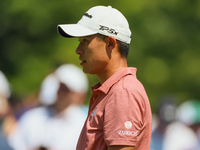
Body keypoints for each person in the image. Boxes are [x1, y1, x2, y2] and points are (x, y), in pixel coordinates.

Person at [57, 5, 152, 150]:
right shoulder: (113, 91)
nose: (78, 50)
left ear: (110, 43)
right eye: (79, 41)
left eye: (85, 41)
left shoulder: (123, 92)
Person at [8, 64, 89, 150]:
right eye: (60, 87)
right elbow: (14, 144)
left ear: (77, 94)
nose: (61, 92)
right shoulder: (33, 117)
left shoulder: (82, 125)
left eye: (66, 89)